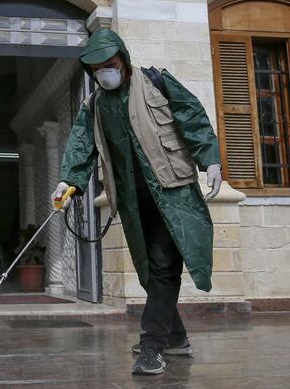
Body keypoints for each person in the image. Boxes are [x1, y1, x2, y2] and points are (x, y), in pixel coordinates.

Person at [52, 29, 222, 376]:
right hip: (131, 201)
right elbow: (81, 145)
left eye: (110, 65)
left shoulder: (156, 82)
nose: (105, 73)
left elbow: (193, 118)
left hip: (172, 195)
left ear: (124, 61)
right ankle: (176, 338)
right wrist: (68, 182)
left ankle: (151, 346)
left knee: (163, 266)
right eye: (98, 69)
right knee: (149, 272)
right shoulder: (95, 104)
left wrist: (212, 161)